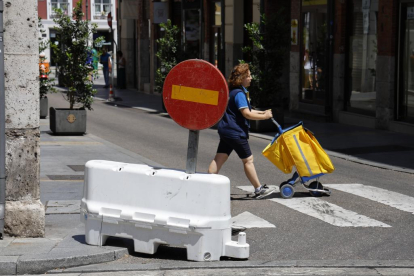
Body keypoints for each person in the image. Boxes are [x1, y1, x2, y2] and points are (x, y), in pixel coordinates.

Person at [208, 63, 275, 199]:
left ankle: (207, 184)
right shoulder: (239, 94)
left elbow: (247, 110)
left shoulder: (233, 91)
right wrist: (265, 117)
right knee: (248, 160)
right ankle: (258, 189)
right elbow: (247, 114)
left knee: (219, 158)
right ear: (241, 78)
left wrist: (262, 112)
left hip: (226, 130)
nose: (251, 78)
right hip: (235, 132)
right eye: (248, 76)